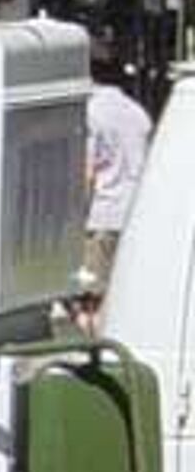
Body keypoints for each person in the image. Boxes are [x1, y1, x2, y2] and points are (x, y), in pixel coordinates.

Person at [83, 42, 153, 301]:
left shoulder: (91, 111)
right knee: (125, 297)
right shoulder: (137, 112)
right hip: (132, 217)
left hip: (99, 218)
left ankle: (96, 341)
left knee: (89, 297)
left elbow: (87, 172)